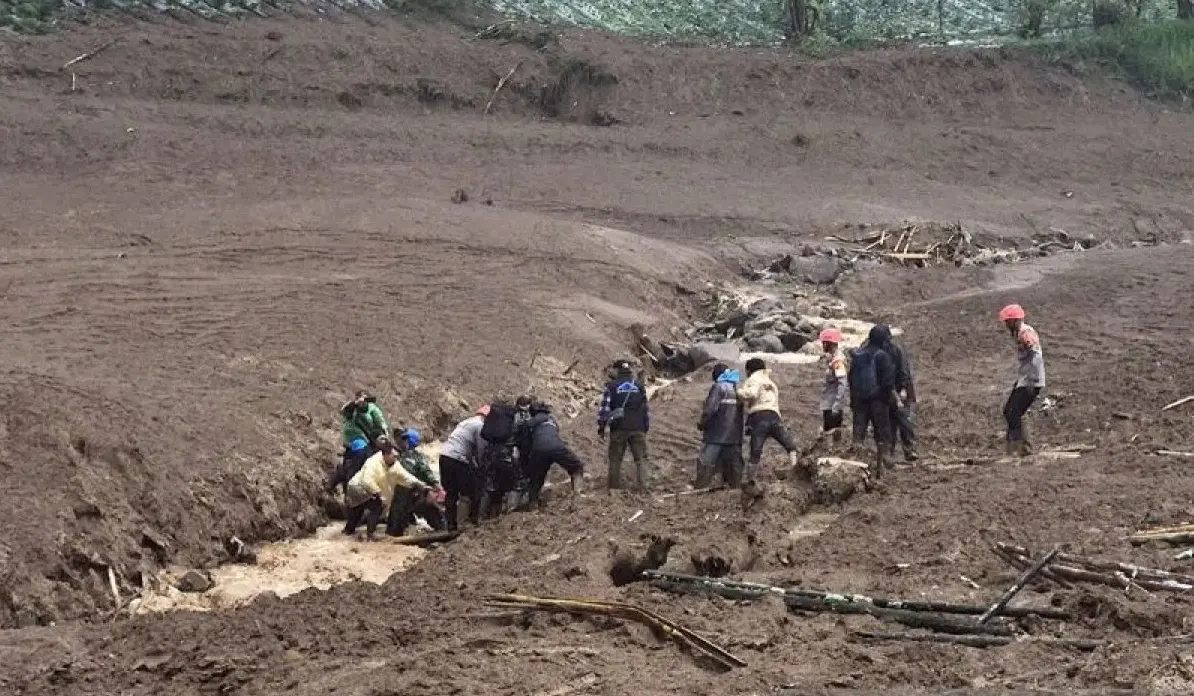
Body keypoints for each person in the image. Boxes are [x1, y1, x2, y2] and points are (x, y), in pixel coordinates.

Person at [737, 358, 800, 504]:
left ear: (749, 370)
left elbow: (751, 394)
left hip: (759, 417)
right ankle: (795, 469)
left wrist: (739, 392)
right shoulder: (770, 382)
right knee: (789, 445)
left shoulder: (753, 379)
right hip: (774, 416)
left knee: (755, 451)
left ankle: (750, 481)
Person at [343, 443, 432, 541]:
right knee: (375, 505)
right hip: (358, 487)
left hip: (369, 489)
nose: (396, 459)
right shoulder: (373, 462)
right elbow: (366, 480)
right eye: (394, 456)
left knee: (361, 509)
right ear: (386, 454)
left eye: (397, 456)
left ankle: (349, 530)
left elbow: (405, 476)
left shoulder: (394, 464)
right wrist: (378, 493)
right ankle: (370, 533)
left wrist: (420, 484)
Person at [848, 325, 899, 478]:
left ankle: (855, 463)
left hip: (859, 401)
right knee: (882, 434)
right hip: (878, 401)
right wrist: (889, 400)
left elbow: (851, 379)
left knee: (858, 434)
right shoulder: (882, 356)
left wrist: (853, 400)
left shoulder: (858, 355)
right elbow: (888, 381)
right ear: (883, 340)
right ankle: (883, 465)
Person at [999, 304, 1046, 456]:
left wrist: (1032, 379)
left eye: (1008, 321)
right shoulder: (1020, 333)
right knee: (1010, 411)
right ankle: (1018, 447)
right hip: (1025, 379)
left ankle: (1019, 449)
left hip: (1031, 380)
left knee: (1014, 413)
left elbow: (1033, 349)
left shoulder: (1025, 333)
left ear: (1014, 321)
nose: (1006, 325)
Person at [598, 359, 651, 491]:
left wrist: (601, 427)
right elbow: (645, 408)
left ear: (617, 371)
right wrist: (645, 426)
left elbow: (604, 409)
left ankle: (614, 489)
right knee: (641, 459)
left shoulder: (611, 386)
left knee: (615, 459)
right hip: (638, 427)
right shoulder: (639, 386)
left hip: (618, 428)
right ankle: (644, 488)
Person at [519, 401, 584, 510]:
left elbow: (525, 446)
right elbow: (553, 434)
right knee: (577, 467)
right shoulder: (552, 420)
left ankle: (533, 506)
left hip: (538, 450)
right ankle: (577, 500)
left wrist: (525, 463)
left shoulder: (529, 424)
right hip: (557, 447)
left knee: (536, 478)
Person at [386, 428, 446, 535]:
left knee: (397, 519)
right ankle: (440, 525)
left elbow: (425, 472)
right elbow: (426, 472)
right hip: (410, 491)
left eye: (404, 438)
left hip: (407, 492)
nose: (401, 440)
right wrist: (435, 484)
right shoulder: (413, 456)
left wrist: (434, 484)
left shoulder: (402, 456)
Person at [329, 391, 391, 494]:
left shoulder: (373, 410)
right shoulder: (352, 408)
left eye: (365, 399)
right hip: (354, 437)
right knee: (357, 460)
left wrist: (382, 437)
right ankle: (340, 482)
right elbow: (344, 412)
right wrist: (355, 404)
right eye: (360, 399)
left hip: (371, 440)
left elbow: (381, 424)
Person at [873, 324, 919, 462]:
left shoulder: (896, 350)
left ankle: (910, 449)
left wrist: (903, 389)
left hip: (901, 388)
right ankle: (890, 453)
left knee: (903, 419)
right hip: (887, 390)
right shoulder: (878, 353)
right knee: (889, 423)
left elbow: (904, 370)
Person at [439, 405, 489, 531]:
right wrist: (481, 468)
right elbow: (480, 450)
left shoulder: (465, 422)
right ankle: (465, 522)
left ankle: (451, 524)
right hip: (458, 459)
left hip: (445, 456)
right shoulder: (480, 425)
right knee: (467, 492)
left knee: (451, 492)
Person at [696, 362, 744, 489]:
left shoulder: (718, 387)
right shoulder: (737, 388)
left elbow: (710, 409)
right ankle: (735, 490)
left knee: (706, 462)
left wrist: (702, 423)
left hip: (716, 435)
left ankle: (700, 490)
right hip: (734, 437)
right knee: (734, 467)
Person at [818, 328, 849, 444]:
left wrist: (837, 404)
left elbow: (843, 383)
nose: (822, 345)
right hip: (830, 403)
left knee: (831, 435)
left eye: (824, 343)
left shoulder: (837, 361)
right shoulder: (833, 358)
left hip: (832, 405)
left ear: (828, 343)